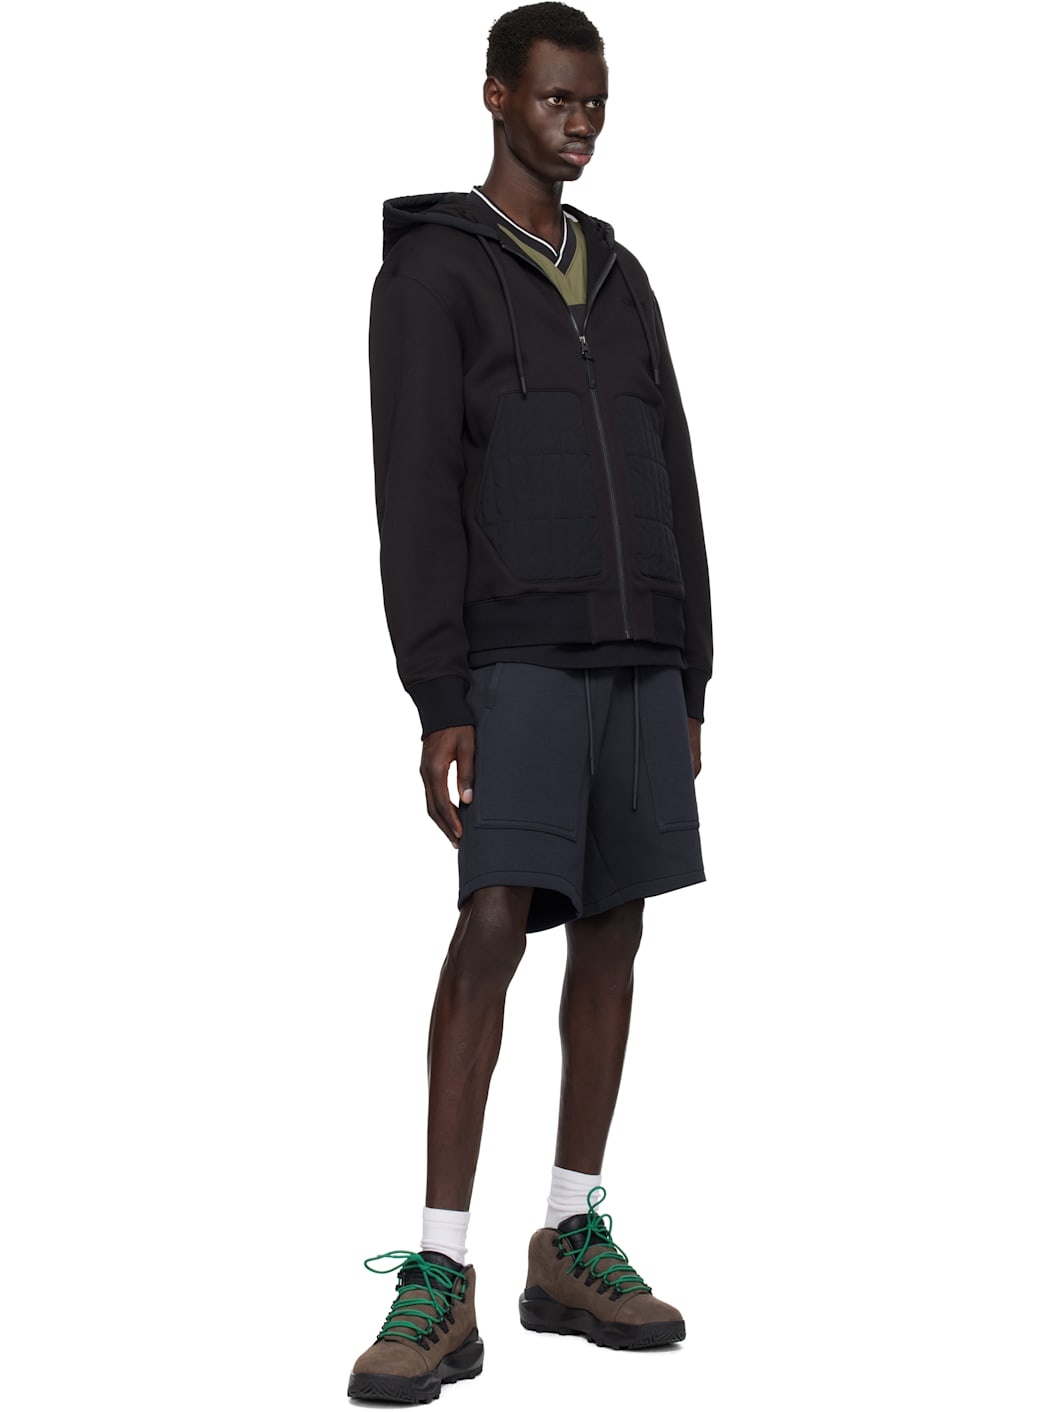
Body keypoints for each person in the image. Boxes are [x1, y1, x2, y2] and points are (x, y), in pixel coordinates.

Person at [349, 3, 713, 1401]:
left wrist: (694, 663)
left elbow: (675, 467)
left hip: (639, 646)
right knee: (493, 923)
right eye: (559, 99)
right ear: (497, 96)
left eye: (596, 103)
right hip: (514, 653)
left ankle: (566, 1236)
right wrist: (439, 691)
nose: (582, 123)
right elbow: (412, 490)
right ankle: (438, 1272)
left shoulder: (621, 272)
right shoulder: (433, 271)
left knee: (615, 927)